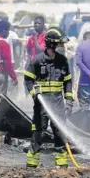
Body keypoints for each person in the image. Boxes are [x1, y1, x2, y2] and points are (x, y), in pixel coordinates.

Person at [24, 27, 73, 168]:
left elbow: (68, 82)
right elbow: (28, 80)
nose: (63, 47)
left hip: (58, 106)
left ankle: (63, 168)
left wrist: (69, 101)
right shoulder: (37, 61)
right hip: (42, 108)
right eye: (60, 44)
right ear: (52, 44)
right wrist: (35, 95)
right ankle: (31, 168)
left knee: (60, 135)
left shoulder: (63, 61)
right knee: (37, 135)